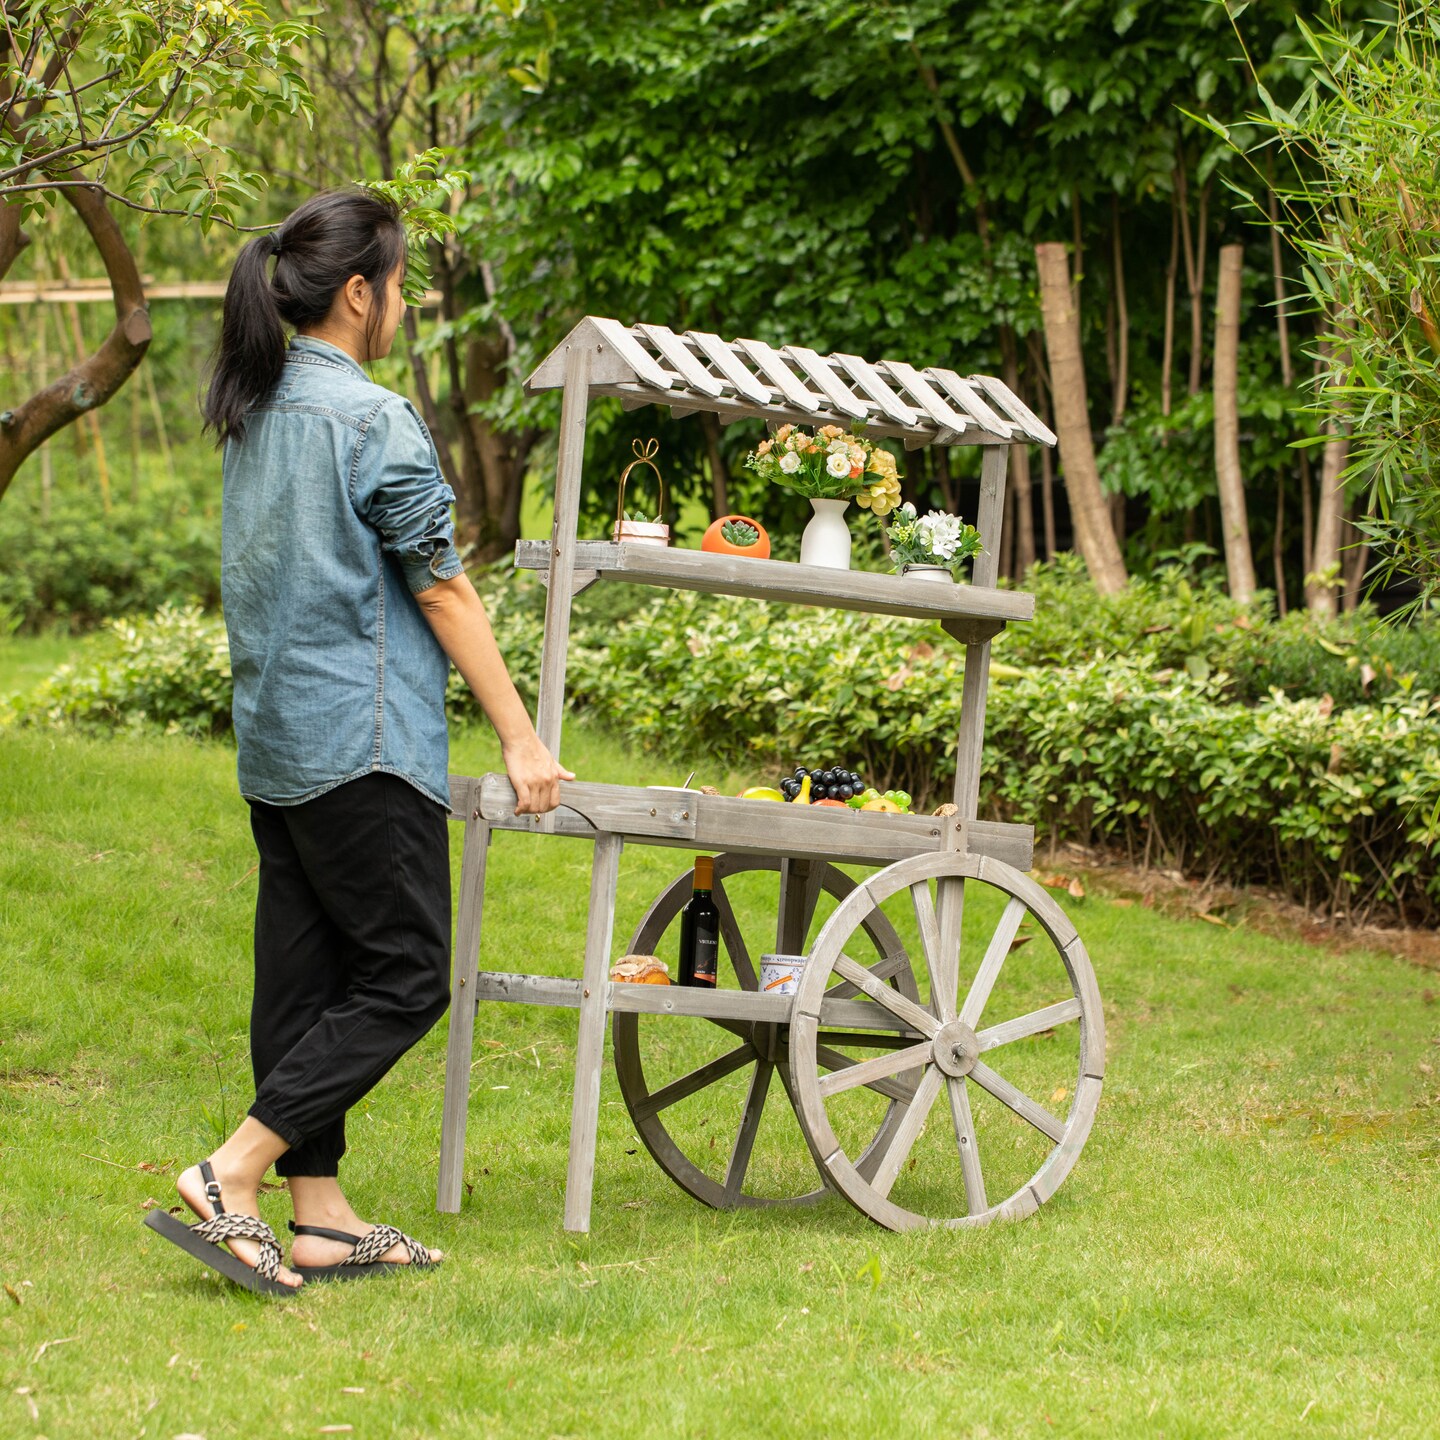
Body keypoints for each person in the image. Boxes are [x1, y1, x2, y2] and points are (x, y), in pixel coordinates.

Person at [143, 190, 571, 1293]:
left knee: (303, 972)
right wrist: (522, 739)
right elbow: (444, 589)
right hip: (363, 742)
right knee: (409, 970)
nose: (405, 303)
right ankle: (234, 1168)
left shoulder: (256, 405)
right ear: (357, 293)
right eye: (399, 283)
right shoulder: (371, 417)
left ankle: (321, 1216)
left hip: (276, 742)